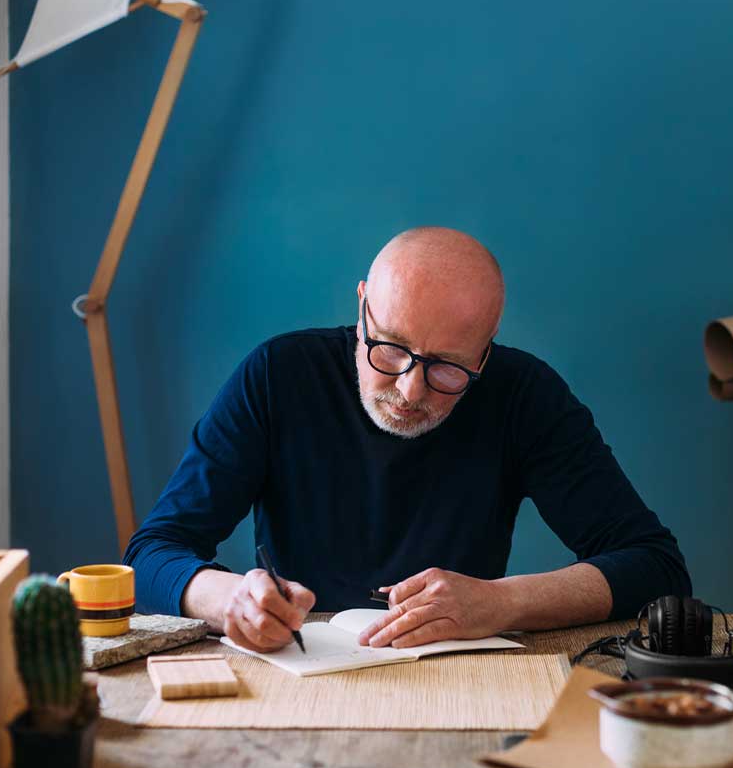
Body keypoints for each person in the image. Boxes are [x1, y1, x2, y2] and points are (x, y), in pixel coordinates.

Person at [124, 227, 690, 652]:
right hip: (300, 667)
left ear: (485, 351)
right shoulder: (278, 374)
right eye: (390, 348)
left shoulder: (524, 394)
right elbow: (151, 555)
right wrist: (231, 600)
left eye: (447, 366)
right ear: (362, 306)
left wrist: (503, 602)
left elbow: (656, 566)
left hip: (461, 670)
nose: (409, 389)